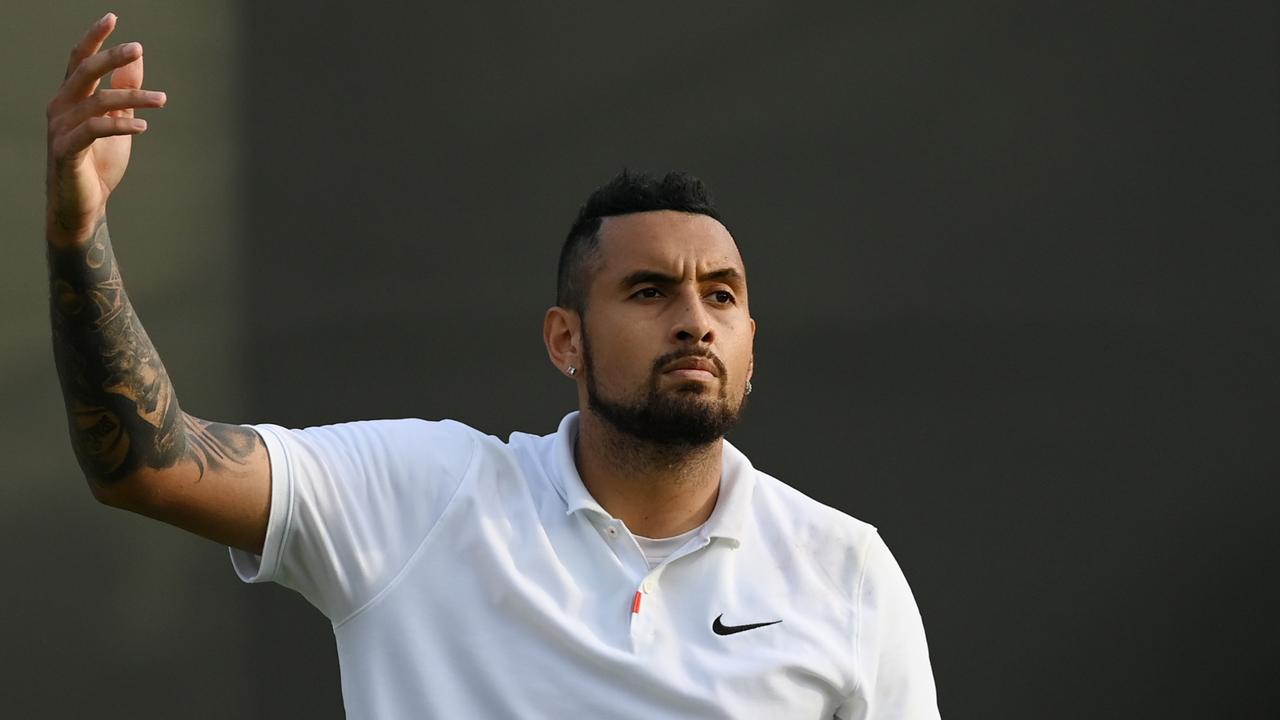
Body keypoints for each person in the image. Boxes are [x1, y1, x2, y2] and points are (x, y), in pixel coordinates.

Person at [45, 13, 940, 720]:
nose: (695, 321)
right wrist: (80, 229)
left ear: (751, 339)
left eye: (722, 295)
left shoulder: (847, 570)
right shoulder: (422, 500)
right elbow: (144, 461)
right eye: (649, 292)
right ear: (565, 340)